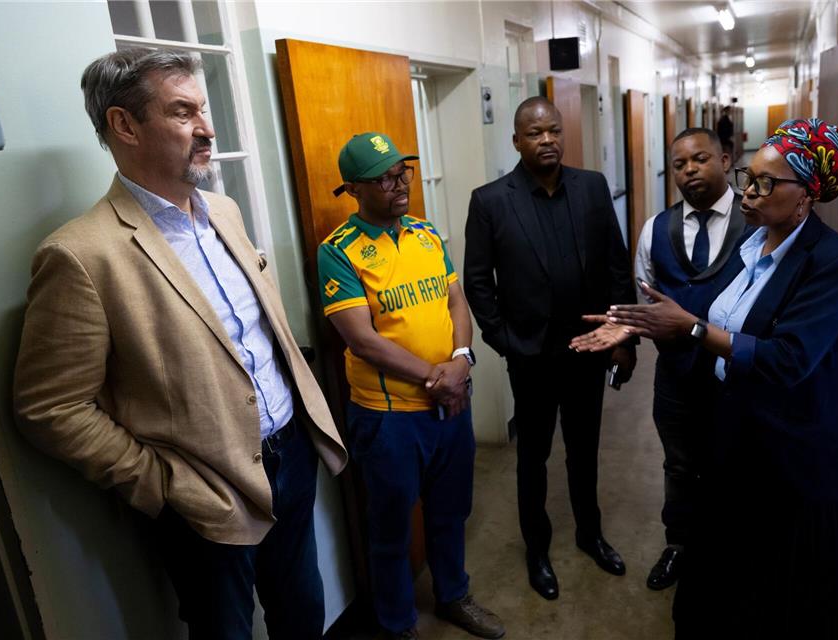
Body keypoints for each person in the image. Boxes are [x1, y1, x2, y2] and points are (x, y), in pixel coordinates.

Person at [12, 49, 347, 640]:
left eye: (203, 110)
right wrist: (160, 483)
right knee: (225, 631)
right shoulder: (81, 255)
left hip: (291, 453)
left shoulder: (223, 210)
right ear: (124, 125)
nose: (208, 129)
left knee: (302, 613)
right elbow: (50, 407)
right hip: (205, 488)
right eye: (183, 112)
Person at [572, 118, 838, 638]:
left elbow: (788, 358)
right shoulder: (753, 248)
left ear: (806, 196)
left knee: (782, 594)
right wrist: (636, 324)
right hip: (737, 440)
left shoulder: (835, 261)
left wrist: (688, 327)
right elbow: (712, 313)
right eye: (749, 179)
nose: (748, 193)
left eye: (764, 184)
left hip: (793, 454)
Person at [318, 132, 504, 640]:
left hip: (450, 406)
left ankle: (453, 596)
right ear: (354, 189)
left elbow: (456, 304)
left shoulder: (426, 234)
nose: (400, 184)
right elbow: (362, 339)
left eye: (404, 172)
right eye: (385, 177)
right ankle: (397, 623)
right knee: (390, 528)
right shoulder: (339, 251)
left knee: (450, 512)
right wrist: (433, 378)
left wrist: (461, 361)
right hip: (388, 417)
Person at [463, 97, 636, 601]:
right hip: (532, 356)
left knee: (584, 450)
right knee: (533, 457)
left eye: (554, 131)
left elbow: (615, 266)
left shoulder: (592, 187)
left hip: (589, 349)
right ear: (516, 141)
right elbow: (478, 283)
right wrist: (507, 342)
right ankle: (536, 549)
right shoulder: (491, 200)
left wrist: (623, 335)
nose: (548, 140)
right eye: (535, 133)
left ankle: (590, 534)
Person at [633, 127, 752, 591]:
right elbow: (645, 292)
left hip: (738, 374)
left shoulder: (756, 219)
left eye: (700, 159)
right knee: (680, 465)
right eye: (680, 164)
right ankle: (679, 545)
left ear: (725, 160)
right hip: (676, 377)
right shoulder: (655, 228)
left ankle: (730, 552)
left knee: (736, 461)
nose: (689, 170)